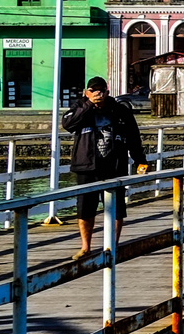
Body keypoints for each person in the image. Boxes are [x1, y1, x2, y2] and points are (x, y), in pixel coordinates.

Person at [63, 77, 149, 260]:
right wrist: (88, 105)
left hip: (114, 166)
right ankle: (86, 247)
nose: (98, 94)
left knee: (116, 209)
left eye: (101, 90)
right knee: (85, 208)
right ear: (87, 93)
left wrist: (140, 160)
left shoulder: (120, 110)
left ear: (107, 92)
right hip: (86, 166)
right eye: (93, 91)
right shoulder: (79, 107)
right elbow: (68, 125)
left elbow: (134, 136)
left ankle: (113, 246)